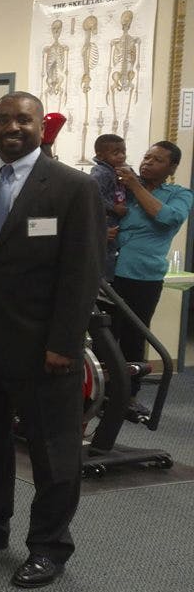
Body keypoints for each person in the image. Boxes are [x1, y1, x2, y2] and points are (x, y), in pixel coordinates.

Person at [0, 91, 104, 589]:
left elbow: (82, 272)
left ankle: (49, 547)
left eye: (23, 120)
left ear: (39, 127)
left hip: (43, 348)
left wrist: (65, 343)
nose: (12, 127)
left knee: (53, 453)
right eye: (3, 119)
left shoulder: (72, 187)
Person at [111, 141, 192, 411]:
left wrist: (135, 186)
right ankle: (101, 391)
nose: (147, 162)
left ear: (172, 168)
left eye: (157, 160)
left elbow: (167, 218)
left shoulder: (179, 194)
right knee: (105, 335)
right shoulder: (122, 188)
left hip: (143, 276)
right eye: (146, 157)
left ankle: (128, 395)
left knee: (134, 336)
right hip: (109, 271)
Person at [90, 133, 127, 277]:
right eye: (116, 153)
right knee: (106, 251)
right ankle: (104, 279)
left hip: (116, 220)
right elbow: (94, 195)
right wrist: (114, 207)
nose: (121, 156)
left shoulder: (118, 170)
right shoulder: (101, 173)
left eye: (123, 152)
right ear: (100, 156)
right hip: (106, 219)